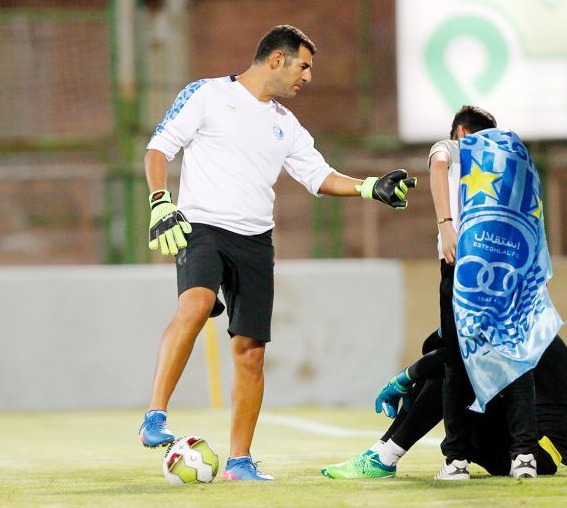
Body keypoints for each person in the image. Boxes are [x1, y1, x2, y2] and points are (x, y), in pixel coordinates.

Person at [139, 24, 416, 482]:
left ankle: (239, 462)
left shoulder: (286, 124)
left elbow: (319, 176)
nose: (308, 76)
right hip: (201, 226)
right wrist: (159, 202)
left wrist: (370, 187)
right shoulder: (207, 94)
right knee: (197, 303)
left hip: (255, 241)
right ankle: (155, 416)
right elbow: (157, 149)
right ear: (276, 59)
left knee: (250, 352)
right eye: (303, 66)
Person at [429, 106, 544, 480]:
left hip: (464, 266)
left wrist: (446, 224)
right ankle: (523, 456)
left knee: (457, 365)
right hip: (508, 268)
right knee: (514, 358)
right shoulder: (510, 162)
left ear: (461, 132)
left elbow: (437, 165)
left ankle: (456, 460)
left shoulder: (454, 147)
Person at [321, 331, 567, 479]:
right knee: (444, 368)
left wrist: (405, 376)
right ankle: (381, 451)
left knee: (450, 370)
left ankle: (386, 457)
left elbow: (451, 356)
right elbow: (432, 346)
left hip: (536, 454)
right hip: (518, 444)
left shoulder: (507, 323)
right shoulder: (503, 312)